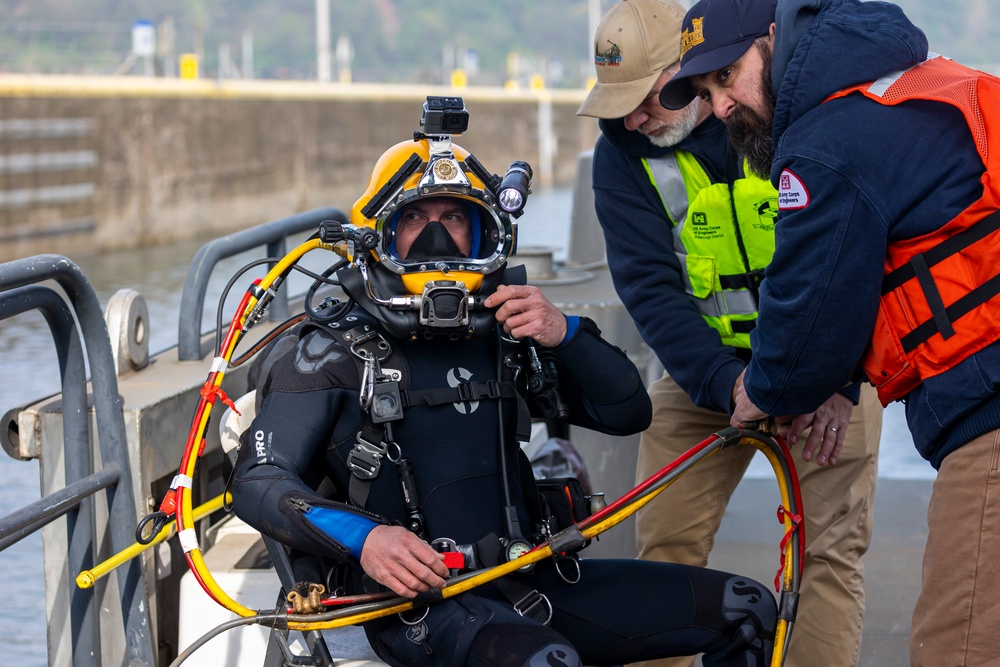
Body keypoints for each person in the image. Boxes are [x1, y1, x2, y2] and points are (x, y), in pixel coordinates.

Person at [231, 100, 778, 667]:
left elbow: (627, 411)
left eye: (454, 219)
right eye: (416, 220)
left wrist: (564, 332)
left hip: (530, 580)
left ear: (482, 232)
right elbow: (256, 480)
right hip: (412, 607)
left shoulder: (508, 332)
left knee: (746, 609)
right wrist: (366, 540)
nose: (436, 240)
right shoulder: (331, 349)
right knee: (547, 660)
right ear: (380, 235)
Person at [659, 0, 1000, 663]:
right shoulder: (893, 89)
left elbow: (806, 315)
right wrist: (841, 383)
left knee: (956, 645)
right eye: (705, 93)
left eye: (727, 77)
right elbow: (879, 257)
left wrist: (763, 387)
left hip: (990, 414)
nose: (721, 106)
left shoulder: (824, 139)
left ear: (773, 40)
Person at [577, 1, 882, 665]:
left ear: (690, 71)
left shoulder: (783, 112)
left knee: (825, 555)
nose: (632, 119)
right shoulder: (620, 160)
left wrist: (844, 378)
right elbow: (653, 296)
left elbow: (858, 253)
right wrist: (728, 383)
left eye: (646, 98)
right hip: (706, 375)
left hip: (826, 369)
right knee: (663, 549)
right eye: (617, 103)